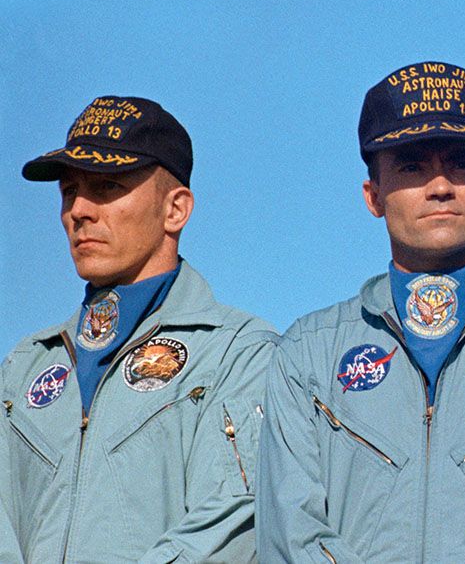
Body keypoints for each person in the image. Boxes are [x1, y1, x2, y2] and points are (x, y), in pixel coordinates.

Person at [257, 61, 465, 562]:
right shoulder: (308, 355)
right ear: (373, 196)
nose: (440, 186)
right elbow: (290, 538)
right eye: (412, 166)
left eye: (462, 163)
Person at [0, 96, 276, 561]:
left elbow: (230, 525)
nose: (79, 210)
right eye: (70, 190)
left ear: (175, 210)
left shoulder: (239, 353)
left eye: (107, 187)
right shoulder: (26, 364)